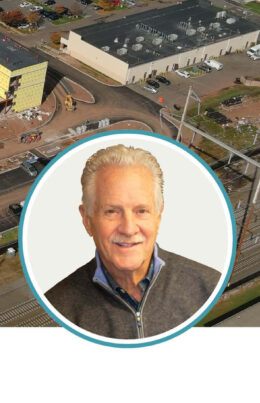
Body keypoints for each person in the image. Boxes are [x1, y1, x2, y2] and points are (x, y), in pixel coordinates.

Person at [45, 144, 221, 340]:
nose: (128, 229)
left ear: (159, 216)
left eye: (141, 211)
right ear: (87, 220)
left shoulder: (208, 285)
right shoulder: (56, 307)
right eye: (111, 211)